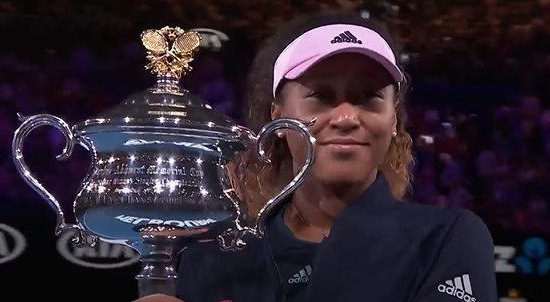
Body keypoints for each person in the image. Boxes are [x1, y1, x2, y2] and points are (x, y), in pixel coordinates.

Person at [135, 10, 497, 302]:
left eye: (368, 97)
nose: (345, 118)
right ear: (277, 113)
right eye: (322, 96)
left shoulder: (444, 240)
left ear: (393, 118)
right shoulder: (210, 259)